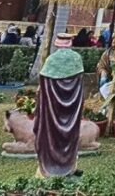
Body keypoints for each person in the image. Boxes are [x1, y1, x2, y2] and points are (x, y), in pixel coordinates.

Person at [35, 34, 85, 178]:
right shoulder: (77, 60)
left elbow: (43, 85)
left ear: (57, 44)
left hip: (52, 110)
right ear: (70, 43)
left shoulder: (51, 60)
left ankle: (49, 167)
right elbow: (80, 84)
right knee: (70, 135)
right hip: (72, 110)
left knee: (51, 134)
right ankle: (69, 167)